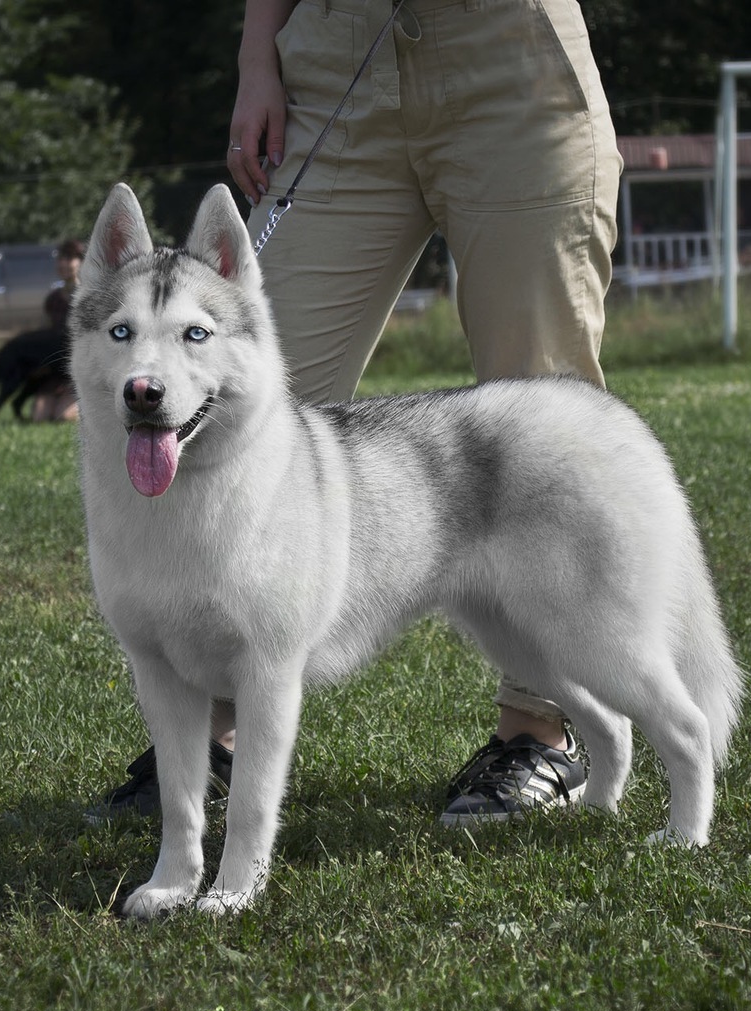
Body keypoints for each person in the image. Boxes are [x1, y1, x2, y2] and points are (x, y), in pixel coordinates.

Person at [89, 0, 623, 827]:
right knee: (231, 368)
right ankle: (213, 734)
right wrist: (257, 57)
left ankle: (537, 732)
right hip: (336, 60)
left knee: (537, 411)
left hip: (511, 54)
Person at [33, 238, 87, 422]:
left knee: (63, 417)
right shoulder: (52, 300)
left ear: (81, 262)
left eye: (70, 258)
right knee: (39, 418)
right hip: (54, 373)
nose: (63, 263)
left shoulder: (88, 298)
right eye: (61, 259)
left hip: (77, 373)